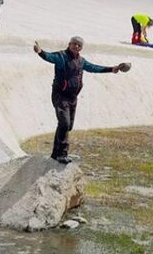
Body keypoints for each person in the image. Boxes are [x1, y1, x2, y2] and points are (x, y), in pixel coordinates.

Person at [34, 36, 129, 164]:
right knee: (64, 123)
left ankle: (55, 153)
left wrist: (111, 69)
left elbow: (93, 67)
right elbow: (50, 57)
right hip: (60, 96)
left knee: (68, 126)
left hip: (73, 98)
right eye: (74, 44)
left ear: (81, 48)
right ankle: (62, 154)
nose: (76, 47)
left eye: (79, 45)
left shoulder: (81, 61)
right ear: (69, 44)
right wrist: (40, 52)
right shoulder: (62, 57)